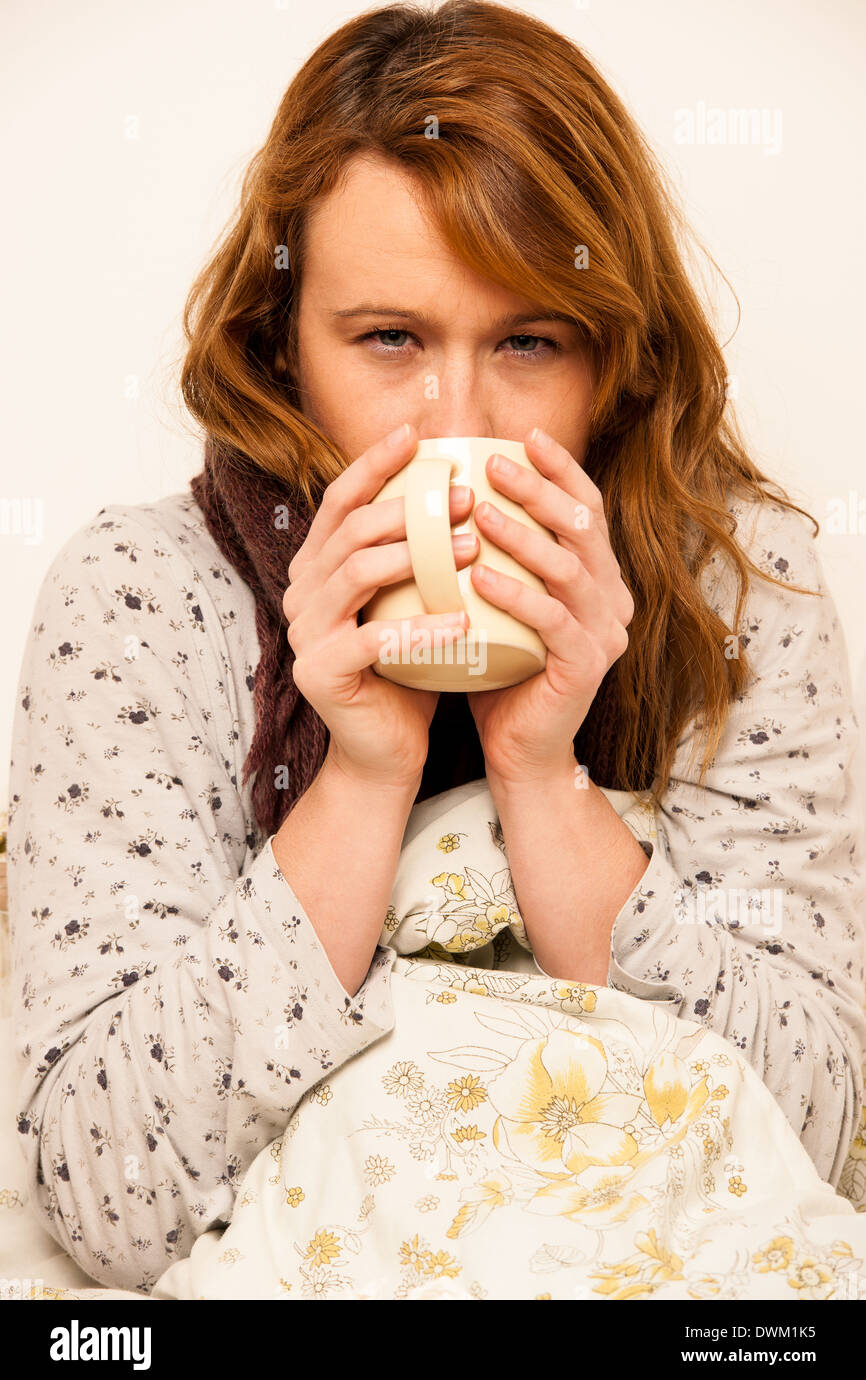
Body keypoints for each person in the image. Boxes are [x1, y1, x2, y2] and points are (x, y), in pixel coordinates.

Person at [7, 0, 865, 1298]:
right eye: (388, 340)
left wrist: (541, 774)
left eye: (528, 341)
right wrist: (361, 773)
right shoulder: (141, 595)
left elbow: (815, 1132)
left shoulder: (732, 578)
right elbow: (110, 1192)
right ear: (282, 344)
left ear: (613, 364)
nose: (452, 426)